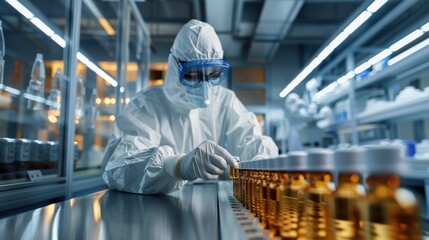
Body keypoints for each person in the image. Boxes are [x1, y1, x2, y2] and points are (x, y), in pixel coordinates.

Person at [101, 19, 278, 194]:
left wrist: (259, 161)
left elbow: (251, 138)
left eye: (213, 74)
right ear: (174, 69)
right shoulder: (146, 105)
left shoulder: (224, 100)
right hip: (158, 206)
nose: (205, 86)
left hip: (210, 201)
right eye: (193, 75)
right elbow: (120, 166)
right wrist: (177, 165)